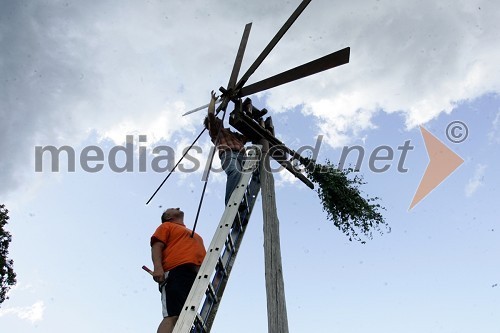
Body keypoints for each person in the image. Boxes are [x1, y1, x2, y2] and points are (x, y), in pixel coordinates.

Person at [151, 207, 206, 333]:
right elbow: (156, 246)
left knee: (185, 316)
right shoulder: (166, 226)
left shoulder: (191, 233)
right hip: (175, 271)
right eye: (173, 208)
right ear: (168, 217)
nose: (178, 208)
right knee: (173, 315)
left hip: (195, 277)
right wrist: (158, 267)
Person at [204, 91, 250, 205]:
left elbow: (247, 136)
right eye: (215, 121)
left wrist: (248, 116)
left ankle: (240, 203)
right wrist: (213, 101)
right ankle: (230, 202)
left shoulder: (231, 134)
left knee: (243, 181)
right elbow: (211, 114)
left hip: (243, 156)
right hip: (229, 154)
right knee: (235, 173)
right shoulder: (215, 133)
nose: (218, 120)